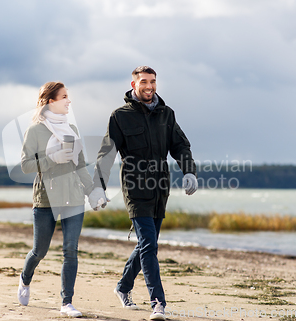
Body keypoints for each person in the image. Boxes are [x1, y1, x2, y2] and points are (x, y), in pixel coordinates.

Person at [88, 66, 198, 320]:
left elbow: (180, 145)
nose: (149, 87)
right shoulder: (120, 116)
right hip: (135, 187)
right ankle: (158, 303)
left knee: (147, 244)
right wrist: (97, 187)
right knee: (149, 245)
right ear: (134, 84)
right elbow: (107, 152)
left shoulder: (166, 114)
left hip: (160, 188)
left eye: (153, 82)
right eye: (144, 82)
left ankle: (123, 287)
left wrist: (189, 171)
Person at [18, 81, 93, 318]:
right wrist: (54, 158)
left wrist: (93, 191)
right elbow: (25, 165)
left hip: (74, 197)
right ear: (51, 101)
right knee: (40, 251)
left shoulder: (72, 129)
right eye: (64, 97)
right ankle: (24, 279)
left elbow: (80, 164)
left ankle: (66, 302)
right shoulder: (35, 131)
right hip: (46, 198)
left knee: (70, 250)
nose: (69, 101)